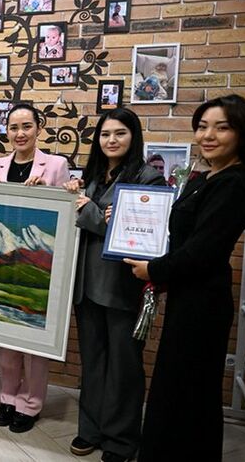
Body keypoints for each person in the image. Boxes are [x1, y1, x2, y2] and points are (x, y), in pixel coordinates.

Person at [124, 95, 245, 461]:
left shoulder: (236, 183)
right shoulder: (208, 176)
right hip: (187, 296)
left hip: (203, 302)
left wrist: (153, 270)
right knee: (178, 390)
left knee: (188, 393)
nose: (208, 135)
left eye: (221, 128)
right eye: (202, 126)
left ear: (243, 133)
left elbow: (201, 252)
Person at [62, 108, 166, 462]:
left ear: (133, 137)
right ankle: (90, 429)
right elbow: (92, 219)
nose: (111, 140)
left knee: (124, 366)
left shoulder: (149, 179)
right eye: (105, 134)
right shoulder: (93, 175)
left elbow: (139, 235)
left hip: (122, 287)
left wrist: (89, 211)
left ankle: (121, 440)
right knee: (93, 362)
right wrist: (76, 197)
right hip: (86, 286)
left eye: (120, 133)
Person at [0, 103, 70, 433]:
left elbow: (67, 212)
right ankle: (7, 397)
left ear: (38, 128)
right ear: (6, 131)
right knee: (6, 337)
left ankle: (31, 403)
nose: (20, 133)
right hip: (6, 257)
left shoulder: (56, 165)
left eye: (26, 126)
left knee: (35, 343)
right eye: (14, 127)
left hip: (41, 261)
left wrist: (51, 194)